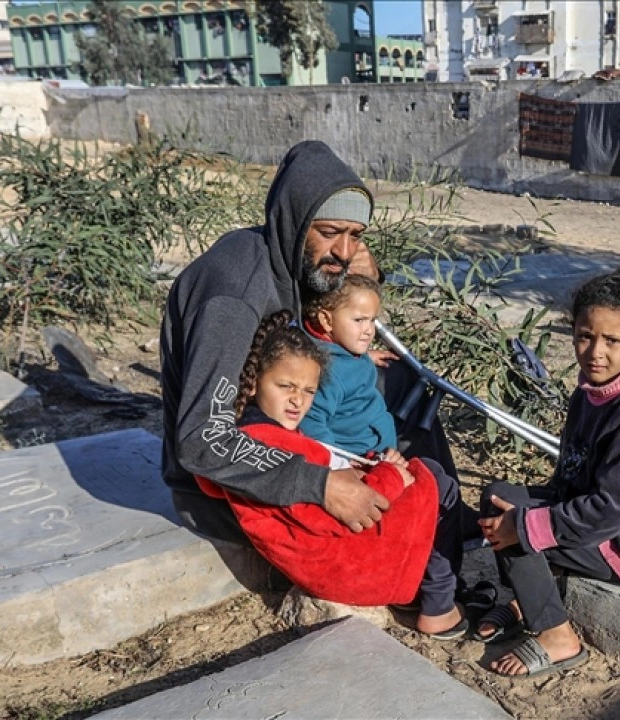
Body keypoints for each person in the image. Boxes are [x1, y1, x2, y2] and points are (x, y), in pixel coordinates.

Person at [160, 139, 458, 549]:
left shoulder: (288, 258)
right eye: (331, 232)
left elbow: (321, 316)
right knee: (383, 514)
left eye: (356, 235)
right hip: (219, 491)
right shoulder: (234, 297)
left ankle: (446, 518)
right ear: (296, 221)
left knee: (400, 381)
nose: (345, 250)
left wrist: (362, 279)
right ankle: (427, 550)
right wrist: (322, 485)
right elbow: (201, 440)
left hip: (282, 427)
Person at [474, 264, 620, 677]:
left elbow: (612, 510)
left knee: (517, 527)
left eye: (612, 340)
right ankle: (526, 598)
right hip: (593, 518)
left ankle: (556, 634)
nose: (595, 352)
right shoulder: (590, 390)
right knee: (498, 498)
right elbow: (570, 473)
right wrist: (527, 516)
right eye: (585, 336)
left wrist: (527, 527)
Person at [193, 311, 466, 636]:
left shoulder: (250, 439)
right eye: (285, 386)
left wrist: (374, 469)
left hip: (331, 557)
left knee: (425, 478)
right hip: (346, 567)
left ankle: (429, 585)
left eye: (309, 391)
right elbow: (329, 516)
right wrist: (390, 478)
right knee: (432, 483)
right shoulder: (271, 444)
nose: (298, 400)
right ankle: (438, 603)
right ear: (252, 384)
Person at [297, 276, 472, 631]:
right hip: (366, 467)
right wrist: (350, 471)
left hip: (378, 459)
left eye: (373, 321)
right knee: (440, 494)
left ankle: (425, 588)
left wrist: (363, 359)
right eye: (359, 321)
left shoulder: (341, 354)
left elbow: (345, 365)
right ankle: (439, 604)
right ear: (326, 320)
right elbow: (315, 431)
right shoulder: (326, 371)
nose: (368, 331)